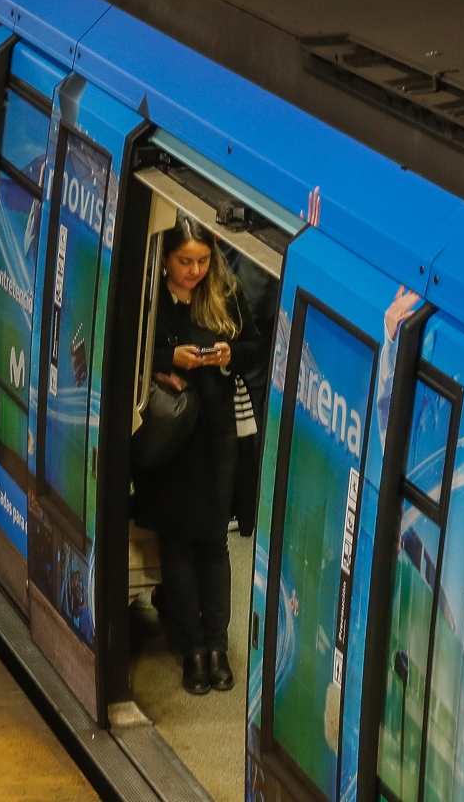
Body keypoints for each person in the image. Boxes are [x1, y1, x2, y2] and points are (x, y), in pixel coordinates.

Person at [135, 216, 265, 696]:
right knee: (177, 544)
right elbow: (128, 350)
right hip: (169, 438)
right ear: (165, 259)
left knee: (213, 542)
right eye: (184, 262)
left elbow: (254, 349)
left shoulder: (224, 294)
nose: (194, 271)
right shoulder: (151, 297)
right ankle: (191, 648)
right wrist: (171, 359)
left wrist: (230, 356)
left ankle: (216, 646)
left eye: (202, 261)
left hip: (217, 436)